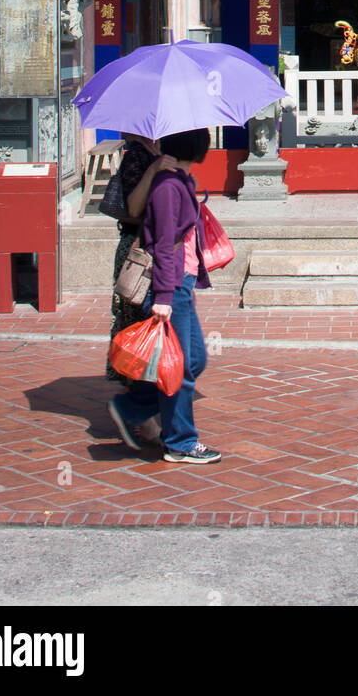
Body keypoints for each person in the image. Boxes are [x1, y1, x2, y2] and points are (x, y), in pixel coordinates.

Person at [108, 128, 220, 464]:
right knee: (181, 367)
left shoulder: (180, 181)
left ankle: (132, 406)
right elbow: (164, 245)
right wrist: (164, 297)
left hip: (181, 281)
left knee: (194, 360)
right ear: (197, 146)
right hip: (170, 283)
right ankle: (181, 441)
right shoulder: (169, 187)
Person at [106, 134, 178, 443]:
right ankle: (140, 413)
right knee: (139, 331)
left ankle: (144, 410)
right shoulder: (136, 156)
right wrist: (155, 171)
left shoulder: (165, 152)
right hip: (138, 253)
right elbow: (134, 208)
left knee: (152, 334)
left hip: (157, 250)